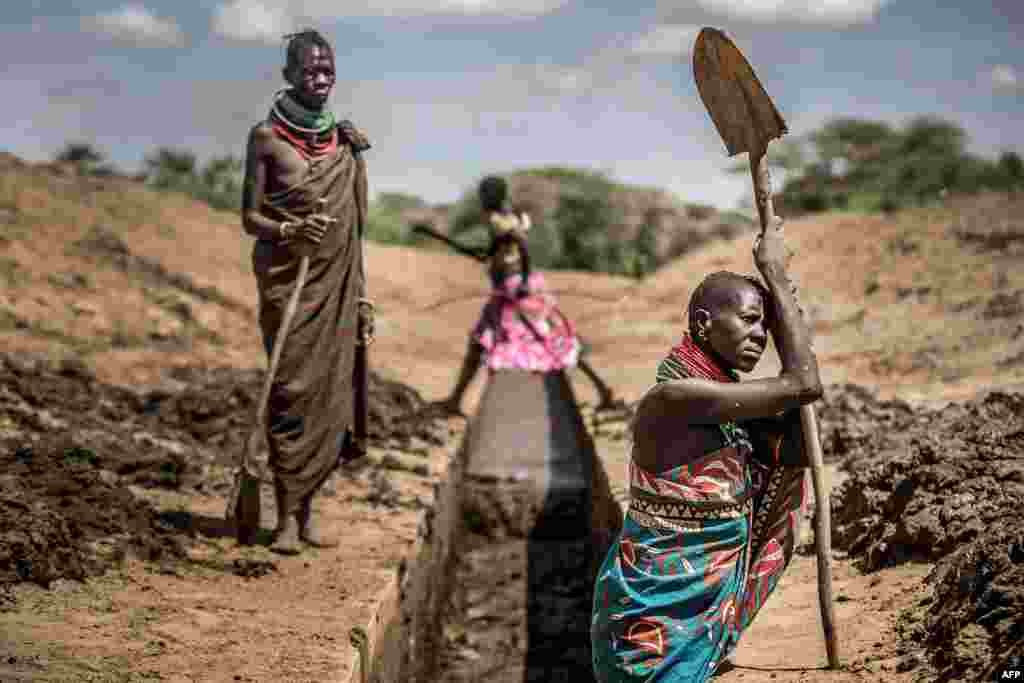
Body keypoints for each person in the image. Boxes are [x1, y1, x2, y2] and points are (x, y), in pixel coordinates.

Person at [590, 217, 821, 682]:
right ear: (703, 323)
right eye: (751, 320)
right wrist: (774, 274)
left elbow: (792, 452)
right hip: (652, 621)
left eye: (767, 325)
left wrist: (786, 317)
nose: (760, 334)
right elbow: (804, 383)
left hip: (701, 612)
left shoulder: (725, 408)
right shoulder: (676, 399)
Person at [240, 28, 373, 555]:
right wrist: (290, 231)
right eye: (311, 70)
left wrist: (361, 296)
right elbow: (249, 218)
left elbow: (357, 231)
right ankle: (284, 518)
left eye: (328, 71)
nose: (320, 80)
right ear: (289, 75)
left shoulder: (347, 144)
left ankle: (306, 512)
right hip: (288, 286)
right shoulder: (265, 139)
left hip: (338, 288)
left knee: (329, 398)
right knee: (291, 391)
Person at [434, 175, 621, 415]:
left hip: (513, 290)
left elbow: (519, 245)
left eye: (483, 194)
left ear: (488, 197)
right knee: (550, 338)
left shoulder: (494, 219)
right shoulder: (513, 217)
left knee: (486, 342)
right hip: (519, 285)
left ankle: (457, 400)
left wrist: (520, 279)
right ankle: (603, 388)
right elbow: (503, 248)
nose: (481, 199)